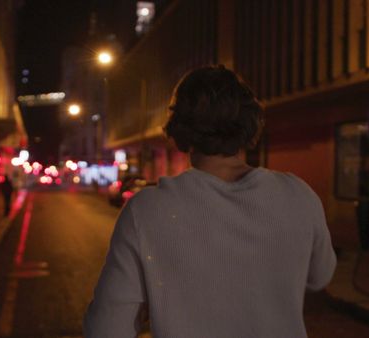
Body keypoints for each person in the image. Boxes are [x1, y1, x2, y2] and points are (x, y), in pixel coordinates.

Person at [83, 65, 336, 338]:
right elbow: (320, 276)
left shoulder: (146, 210)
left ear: (180, 127)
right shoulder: (299, 195)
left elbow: (105, 329)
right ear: (249, 123)